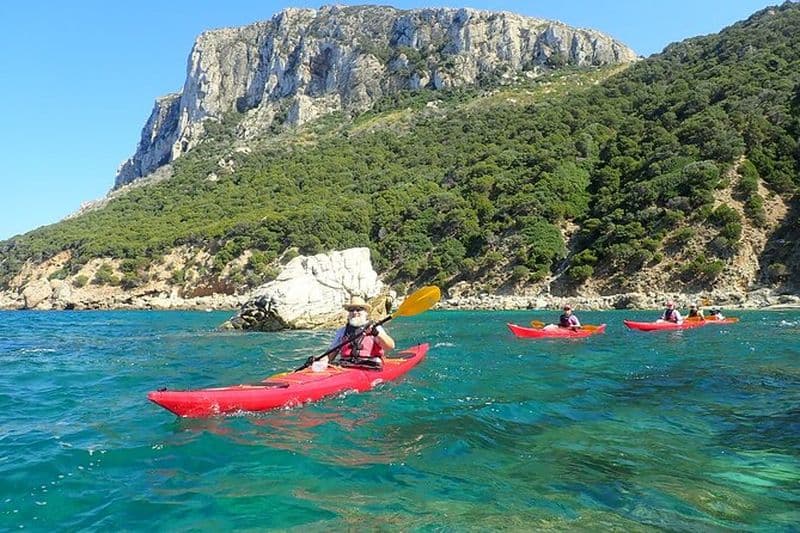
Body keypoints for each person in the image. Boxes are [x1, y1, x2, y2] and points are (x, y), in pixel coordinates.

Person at [323, 295, 395, 370]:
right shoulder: (342, 331)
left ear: (365, 312)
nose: (354, 312)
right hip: (345, 366)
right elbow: (330, 356)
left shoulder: (375, 328)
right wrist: (317, 361)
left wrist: (377, 334)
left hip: (370, 366)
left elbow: (390, 346)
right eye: (351, 310)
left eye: (358, 309)